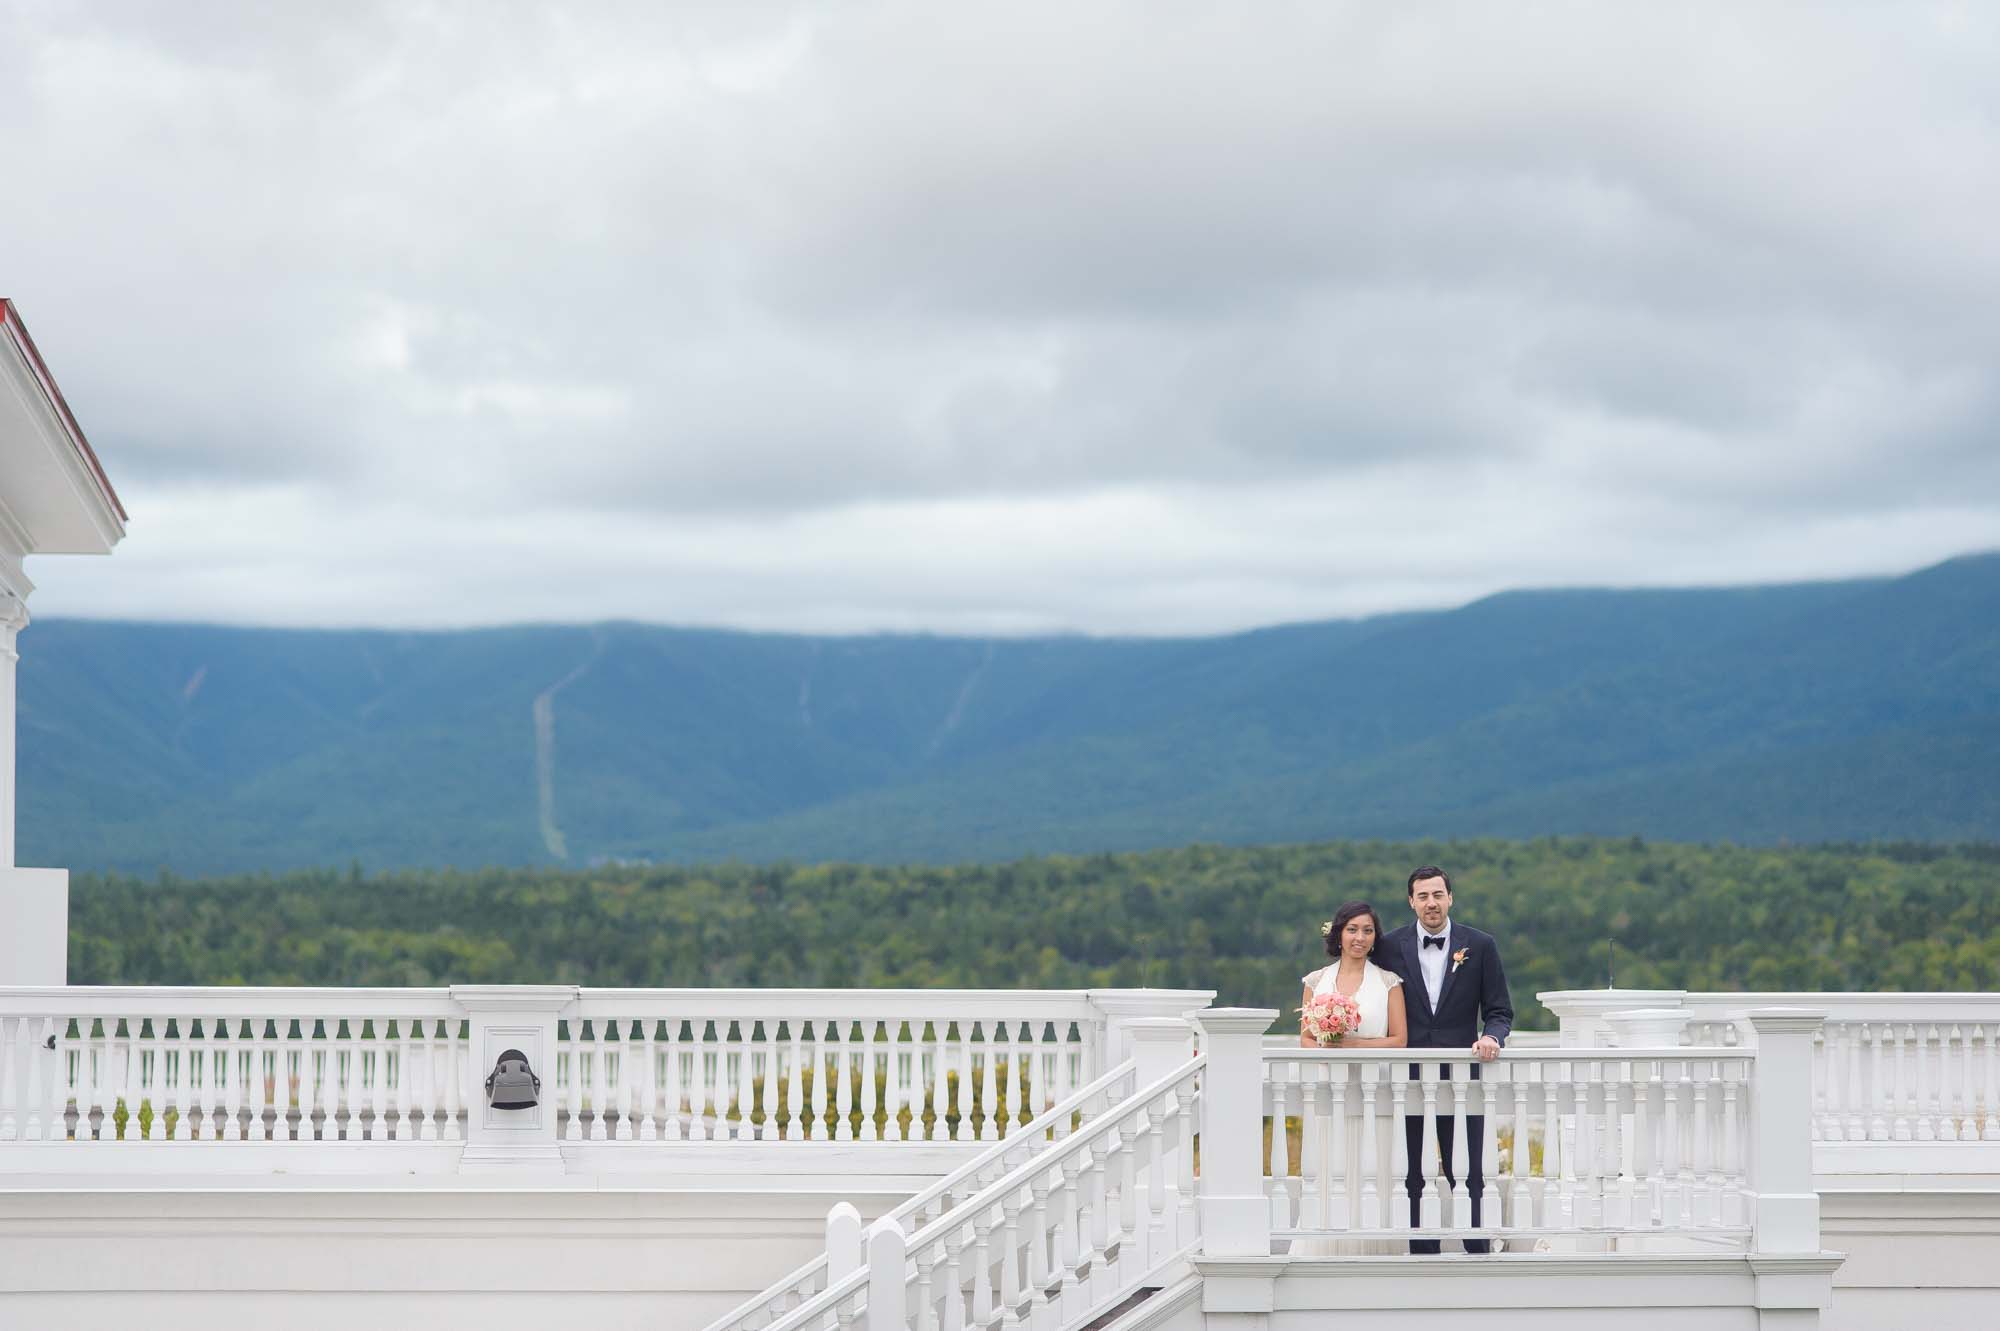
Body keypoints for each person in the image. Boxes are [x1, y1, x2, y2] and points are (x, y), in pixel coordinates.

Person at [1376, 865, 1513, 1254]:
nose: (1431, 903)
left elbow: (1500, 1010)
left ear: (1450, 897)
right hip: (1408, 1077)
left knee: (1467, 1171)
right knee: (1414, 1173)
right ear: (1410, 901)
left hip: (1463, 1078)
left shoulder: (1481, 945)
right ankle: (1422, 1252)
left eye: (1437, 895)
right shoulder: (1388, 946)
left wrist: (1491, 1036)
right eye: (1422, 896)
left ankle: (1477, 1250)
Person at [1293, 900, 1406, 1255]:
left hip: (1376, 1092)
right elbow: (1305, 1039)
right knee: (1332, 1165)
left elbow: (1400, 1040)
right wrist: (1327, 1048)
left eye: (1368, 931)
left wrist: (1354, 1044)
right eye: (1353, 930)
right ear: (1339, 934)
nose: (1360, 937)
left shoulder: (1389, 982)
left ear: (1375, 938)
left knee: (1375, 1166)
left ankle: (1374, 1247)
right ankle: (1329, 1246)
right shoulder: (1316, 981)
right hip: (1332, 1091)